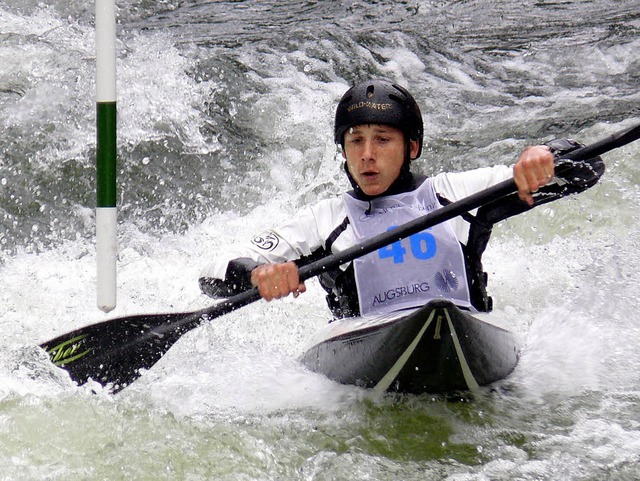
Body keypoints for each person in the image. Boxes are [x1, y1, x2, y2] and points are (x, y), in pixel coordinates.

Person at [199, 79, 604, 318]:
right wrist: (258, 275)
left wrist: (545, 157)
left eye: (383, 140)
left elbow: (588, 167)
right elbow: (211, 274)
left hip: (460, 326)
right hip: (368, 344)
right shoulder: (324, 220)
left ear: (411, 148)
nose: (367, 155)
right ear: (342, 150)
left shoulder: (455, 193)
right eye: (355, 141)